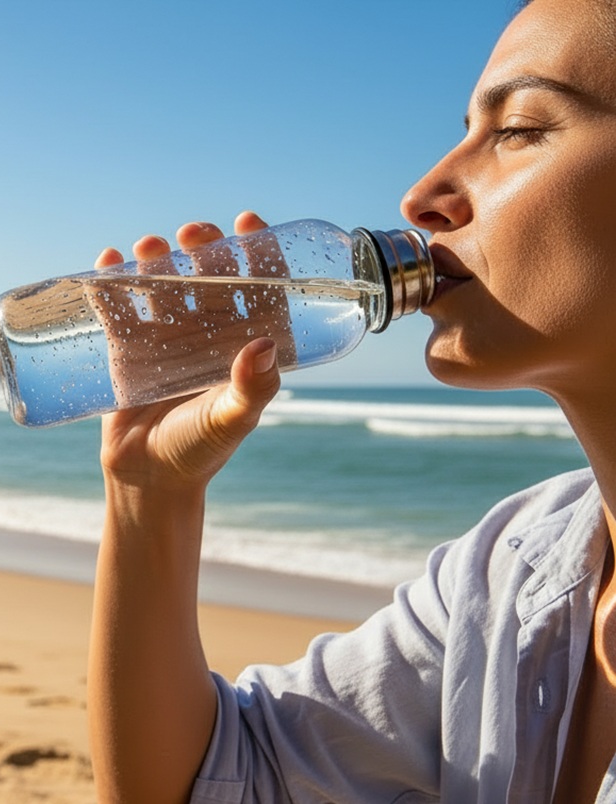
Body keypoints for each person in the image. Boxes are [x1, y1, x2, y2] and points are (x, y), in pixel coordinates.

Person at [85, 0, 616, 801]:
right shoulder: (513, 571)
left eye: (517, 130)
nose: (422, 194)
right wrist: (149, 497)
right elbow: (207, 779)